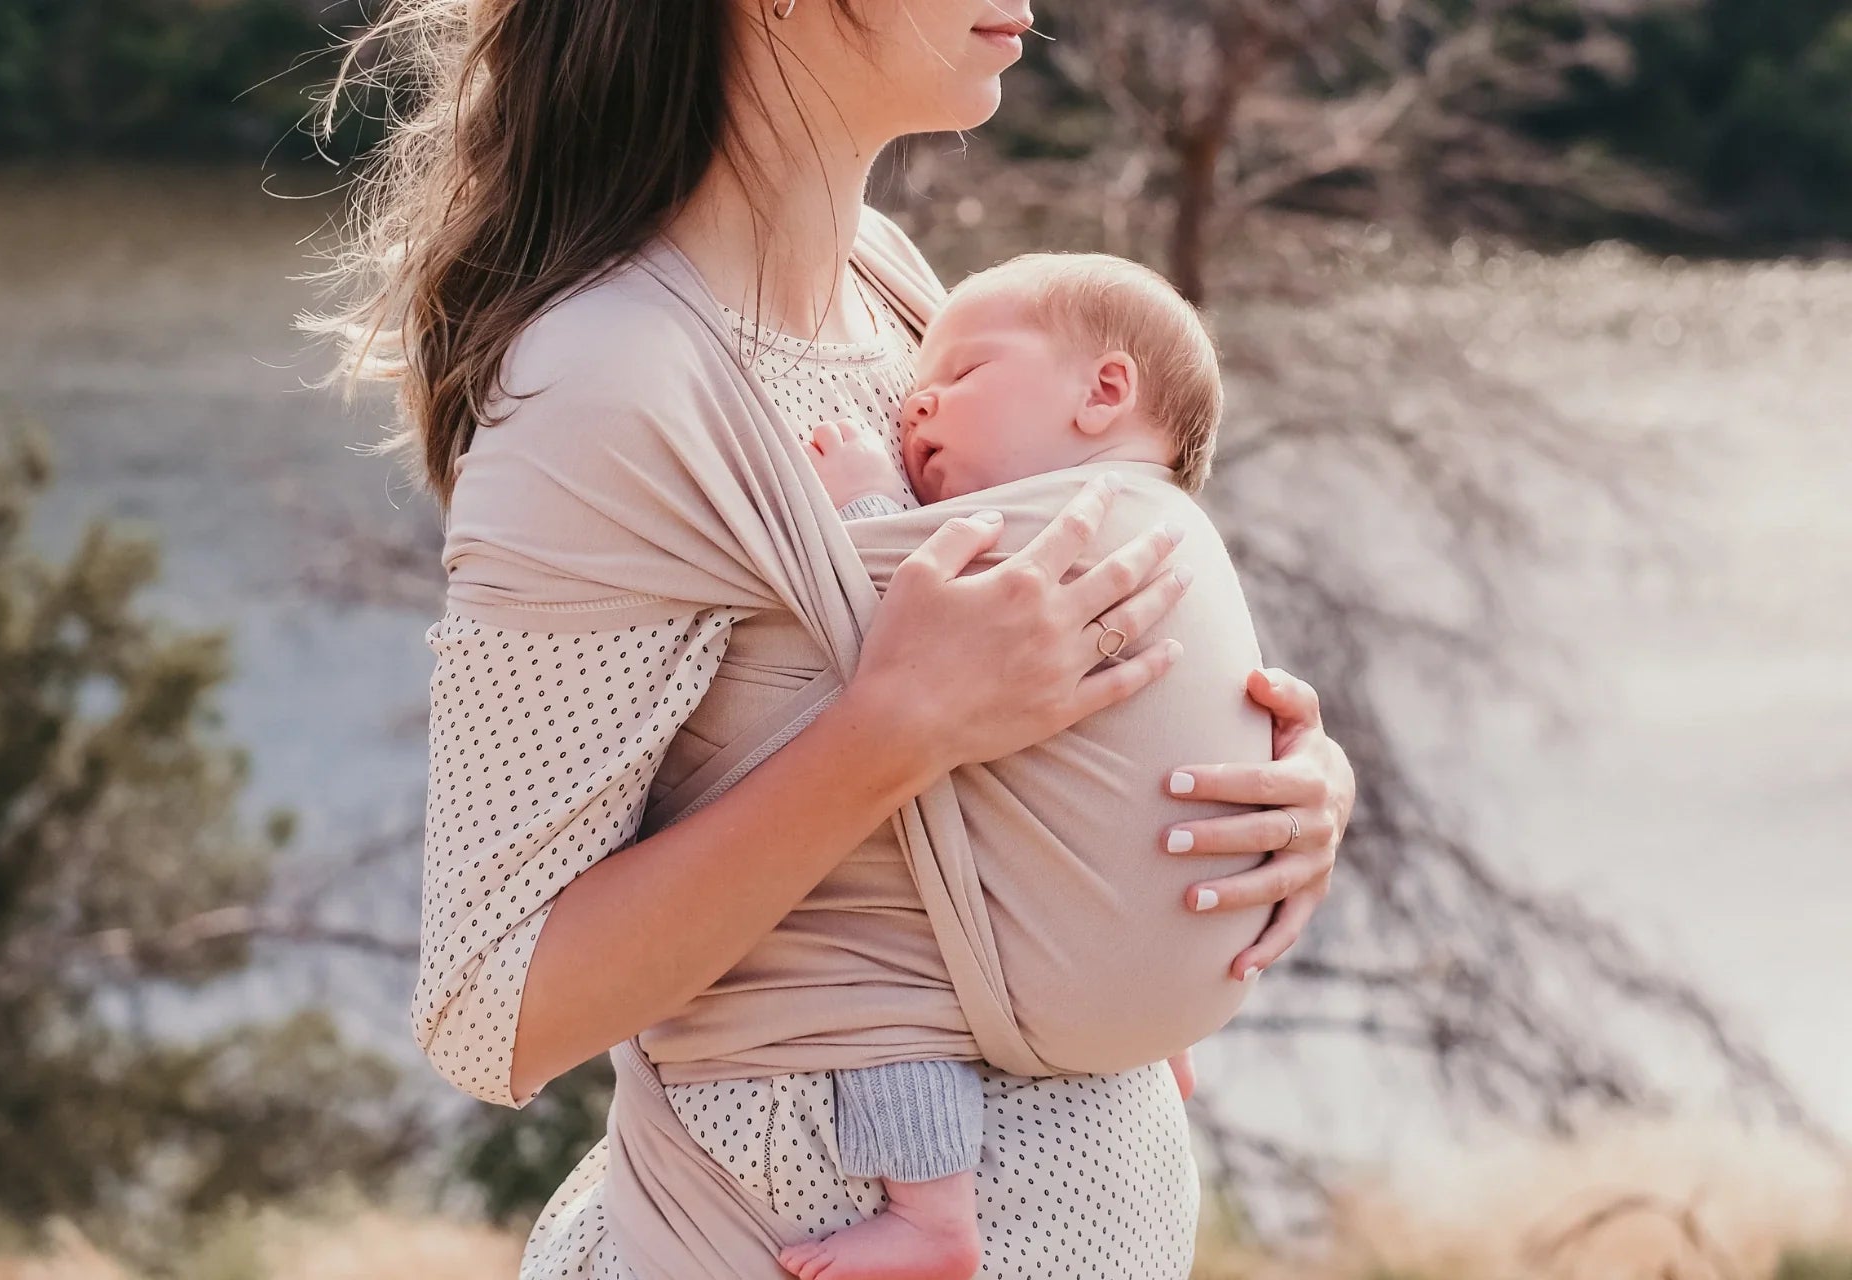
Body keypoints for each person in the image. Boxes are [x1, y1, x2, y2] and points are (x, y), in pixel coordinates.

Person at [312, 2, 1357, 1276]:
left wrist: (1256, 782)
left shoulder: (890, 290)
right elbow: (493, 1005)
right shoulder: (610, 380)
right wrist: (891, 730)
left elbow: (1002, 730)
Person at [795, 249, 1243, 1279]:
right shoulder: (1181, 536)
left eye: (962, 374)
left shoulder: (1076, 522)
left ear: (1104, 390)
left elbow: (897, 626)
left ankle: (929, 1211)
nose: (919, 405)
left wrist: (866, 499)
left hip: (1083, 986)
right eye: (916, 389)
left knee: (860, 930)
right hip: (1172, 983)